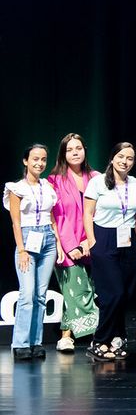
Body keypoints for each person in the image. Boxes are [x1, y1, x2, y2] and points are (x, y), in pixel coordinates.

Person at [84, 142, 136, 361]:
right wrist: (92, 241)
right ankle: (99, 340)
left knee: (125, 295)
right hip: (104, 238)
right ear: (112, 158)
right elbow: (87, 213)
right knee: (113, 294)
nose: (125, 162)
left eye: (129, 158)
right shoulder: (97, 182)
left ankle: (117, 338)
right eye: (121, 157)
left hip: (129, 241)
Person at [48, 132, 100, 352]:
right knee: (77, 292)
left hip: (94, 243)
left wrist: (89, 241)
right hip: (67, 247)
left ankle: (66, 337)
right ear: (63, 154)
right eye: (69, 150)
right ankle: (99, 336)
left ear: (85, 150)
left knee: (89, 291)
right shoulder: (54, 181)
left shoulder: (97, 178)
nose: (75, 153)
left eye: (78, 148)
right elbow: (57, 216)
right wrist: (71, 247)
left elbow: (101, 213)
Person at [9, 144, 58, 361]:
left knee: (40, 295)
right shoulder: (16, 188)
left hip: (48, 240)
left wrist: (58, 243)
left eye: (43, 159)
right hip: (27, 241)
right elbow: (15, 222)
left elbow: (52, 217)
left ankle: (35, 342)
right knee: (27, 294)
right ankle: (20, 343)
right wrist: (21, 249)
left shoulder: (47, 186)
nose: (40, 163)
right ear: (25, 161)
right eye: (35, 159)